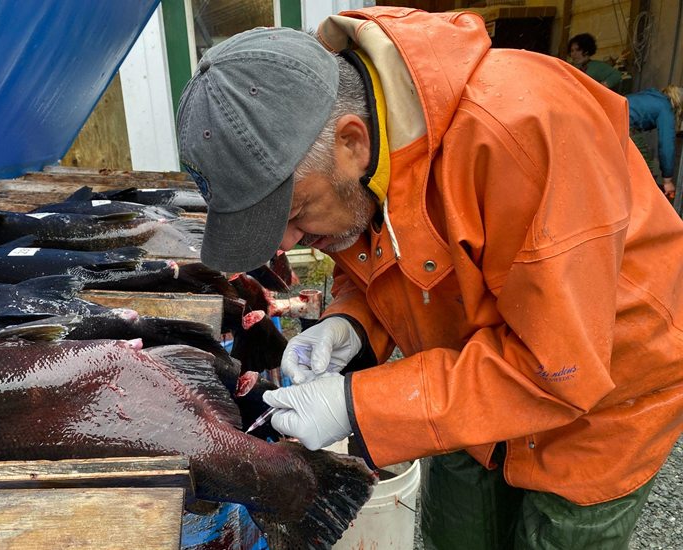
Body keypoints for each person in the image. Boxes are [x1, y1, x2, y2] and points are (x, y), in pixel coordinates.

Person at [176, 7, 683, 550]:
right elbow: (376, 254)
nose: (287, 244)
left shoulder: (528, 131)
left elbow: (557, 369)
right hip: (463, 383)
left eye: (297, 214)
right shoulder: (359, 161)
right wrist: (351, 323)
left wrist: (356, 405)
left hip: (600, 404)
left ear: (353, 142)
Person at [627, 85, 683, 196]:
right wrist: (667, 180)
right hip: (623, 123)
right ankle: (642, 199)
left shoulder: (651, 97)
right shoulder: (665, 108)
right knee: (645, 165)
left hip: (610, 119)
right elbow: (666, 146)